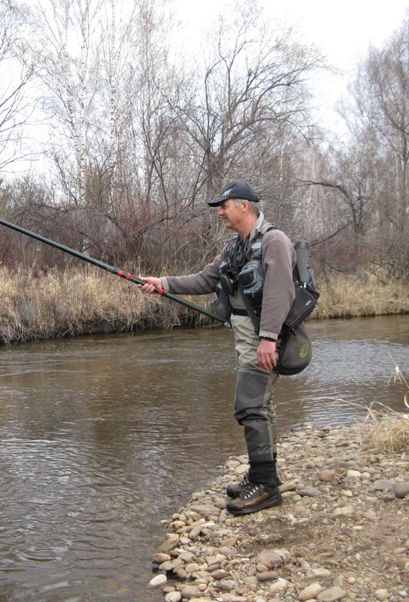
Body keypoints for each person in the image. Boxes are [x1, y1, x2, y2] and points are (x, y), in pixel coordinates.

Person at [139, 180, 296, 515]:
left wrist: (268, 338)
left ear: (244, 206)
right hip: (246, 335)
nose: (220, 213)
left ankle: (266, 486)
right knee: (260, 406)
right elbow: (205, 279)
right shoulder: (234, 247)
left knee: (250, 406)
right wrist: (163, 284)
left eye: (223, 206)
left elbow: (280, 292)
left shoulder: (274, 241)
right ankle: (263, 474)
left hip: (263, 337)